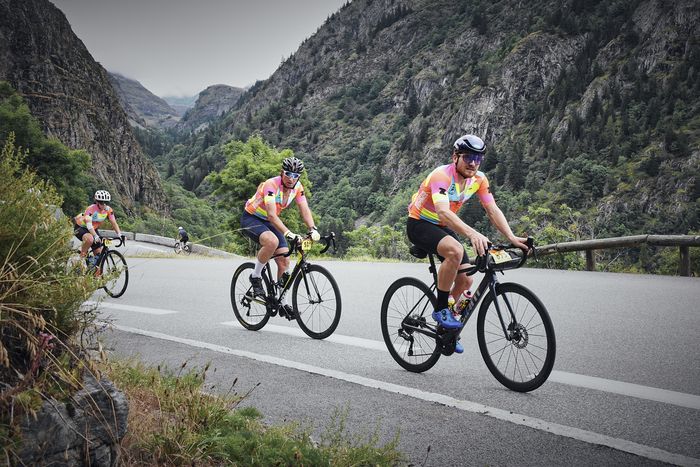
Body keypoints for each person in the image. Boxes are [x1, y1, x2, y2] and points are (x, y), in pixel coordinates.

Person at [407, 134, 528, 353]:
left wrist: (511, 237)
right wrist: (473, 234)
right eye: (468, 157)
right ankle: (441, 309)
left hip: (442, 226)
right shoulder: (441, 176)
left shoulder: (479, 179)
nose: (473, 163)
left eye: (478, 158)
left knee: (466, 280)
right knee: (455, 250)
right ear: (455, 157)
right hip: (420, 223)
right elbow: (443, 213)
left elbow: (492, 209)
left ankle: (446, 328)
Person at [240, 156, 320, 317]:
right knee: (272, 241)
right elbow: (271, 214)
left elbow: (304, 209)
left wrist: (313, 229)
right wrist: (289, 233)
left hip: (270, 222)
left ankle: (282, 303)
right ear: (281, 172)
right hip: (252, 218)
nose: (291, 178)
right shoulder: (271, 185)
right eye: (288, 174)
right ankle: (255, 277)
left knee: (284, 261)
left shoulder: (298, 188)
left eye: (295, 175)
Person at [73, 190, 124, 268]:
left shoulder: (108, 210)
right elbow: (89, 225)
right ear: (97, 202)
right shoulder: (91, 209)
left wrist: (120, 234)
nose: (104, 205)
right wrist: (95, 236)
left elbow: (114, 223)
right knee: (90, 239)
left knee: (98, 257)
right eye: (101, 203)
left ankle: (95, 276)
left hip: (94, 229)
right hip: (82, 227)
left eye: (106, 203)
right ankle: (80, 260)